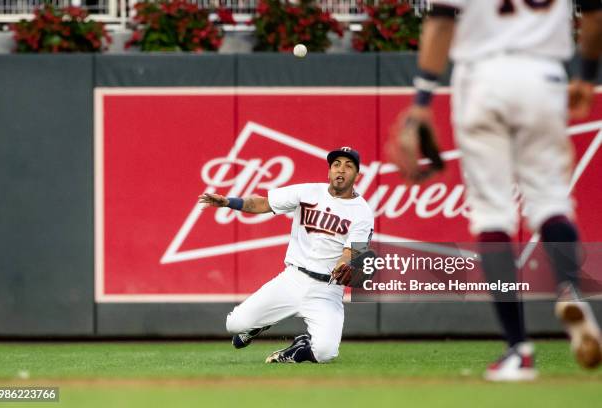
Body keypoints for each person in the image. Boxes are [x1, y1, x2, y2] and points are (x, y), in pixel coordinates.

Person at [388, 0, 602, 381]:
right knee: (550, 201)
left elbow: (440, 22)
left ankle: (518, 350)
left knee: (493, 215)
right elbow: (595, 15)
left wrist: (421, 101)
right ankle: (569, 290)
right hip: (545, 76)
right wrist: (586, 76)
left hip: (482, 76)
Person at [198, 147, 374, 363]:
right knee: (234, 325)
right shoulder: (308, 192)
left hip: (327, 290)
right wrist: (228, 202)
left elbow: (352, 250)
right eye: (336, 164)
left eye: (349, 166)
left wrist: (343, 263)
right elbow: (263, 203)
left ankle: (299, 347)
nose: (341, 170)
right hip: (293, 279)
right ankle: (259, 325)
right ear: (329, 171)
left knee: (326, 353)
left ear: (357, 174)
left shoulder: (362, 211)